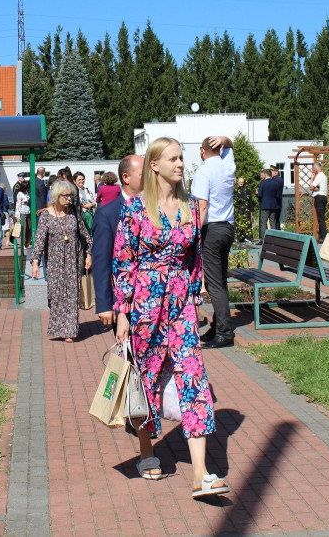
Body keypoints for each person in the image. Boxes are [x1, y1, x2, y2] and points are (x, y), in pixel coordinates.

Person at [113, 137, 228, 498]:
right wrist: (122, 312)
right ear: (154, 165)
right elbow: (123, 261)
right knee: (146, 380)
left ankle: (201, 474)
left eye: (182, 158)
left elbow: (194, 260)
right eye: (174, 159)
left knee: (193, 378)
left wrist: (194, 302)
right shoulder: (134, 209)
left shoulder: (192, 208)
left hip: (179, 303)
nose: (181, 164)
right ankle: (147, 450)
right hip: (145, 304)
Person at [30, 179, 93, 341]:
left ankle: (70, 331)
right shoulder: (46, 216)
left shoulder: (74, 212)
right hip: (54, 263)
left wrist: (89, 254)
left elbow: (86, 235)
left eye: (71, 196)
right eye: (65, 196)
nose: (69, 199)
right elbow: (39, 240)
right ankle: (59, 327)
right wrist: (35, 262)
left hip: (73, 260)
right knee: (56, 295)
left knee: (71, 295)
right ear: (57, 196)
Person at [191, 135, 236, 349]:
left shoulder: (204, 170)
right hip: (227, 227)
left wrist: (193, 236)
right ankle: (219, 326)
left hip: (211, 228)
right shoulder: (227, 165)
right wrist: (225, 139)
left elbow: (202, 206)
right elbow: (230, 145)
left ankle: (224, 333)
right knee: (220, 280)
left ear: (202, 151)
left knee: (213, 283)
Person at [92, 155, 144, 330]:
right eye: (143, 173)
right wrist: (105, 304)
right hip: (124, 301)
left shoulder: (157, 207)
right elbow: (102, 261)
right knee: (128, 355)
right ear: (126, 177)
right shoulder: (108, 213)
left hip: (154, 296)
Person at [308, 163, 329, 243]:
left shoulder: (319, 176)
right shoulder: (323, 176)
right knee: (321, 217)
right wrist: (315, 188)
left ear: (316, 169)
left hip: (319, 198)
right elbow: (316, 187)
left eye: (313, 169)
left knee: (320, 218)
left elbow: (311, 186)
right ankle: (322, 235)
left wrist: (312, 178)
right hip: (323, 197)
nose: (313, 170)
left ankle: (323, 237)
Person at [233, 176, 255, 244]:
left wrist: (251, 210)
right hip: (238, 210)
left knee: (247, 224)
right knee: (238, 224)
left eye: (242, 182)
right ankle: (239, 237)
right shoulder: (235, 191)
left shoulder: (247, 190)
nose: (241, 184)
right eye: (240, 182)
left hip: (246, 209)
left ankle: (248, 237)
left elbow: (250, 200)